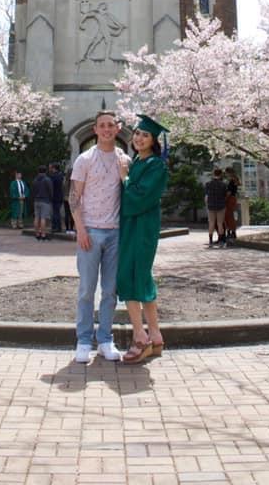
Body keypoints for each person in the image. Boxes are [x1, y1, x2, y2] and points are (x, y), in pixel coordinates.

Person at [69, 109, 130, 363]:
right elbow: (74, 197)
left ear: (117, 129)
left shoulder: (124, 159)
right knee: (86, 289)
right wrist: (80, 229)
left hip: (115, 232)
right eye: (102, 125)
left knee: (109, 291)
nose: (106, 129)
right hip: (90, 232)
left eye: (111, 125)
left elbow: (129, 193)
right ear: (95, 130)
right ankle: (84, 340)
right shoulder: (84, 159)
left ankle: (105, 339)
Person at [116, 114, 169, 363]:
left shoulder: (156, 166)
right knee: (140, 277)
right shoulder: (138, 161)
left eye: (145, 135)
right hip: (131, 227)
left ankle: (140, 337)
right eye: (137, 133)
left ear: (154, 141)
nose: (138, 138)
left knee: (131, 276)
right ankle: (155, 335)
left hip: (142, 227)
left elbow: (138, 197)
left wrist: (124, 178)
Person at [205, 166, 227, 248]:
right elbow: (225, 195)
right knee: (220, 223)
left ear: (213, 174)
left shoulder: (208, 184)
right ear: (221, 175)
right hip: (221, 205)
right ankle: (221, 241)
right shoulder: (223, 184)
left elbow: (206, 196)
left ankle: (210, 241)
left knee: (211, 223)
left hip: (211, 205)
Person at [31, 165, 53, 241]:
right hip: (45, 201)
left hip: (36, 200)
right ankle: (43, 234)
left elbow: (33, 191)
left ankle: (37, 234)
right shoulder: (47, 180)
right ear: (45, 171)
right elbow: (50, 190)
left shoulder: (35, 180)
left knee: (36, 217)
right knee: (43, 218)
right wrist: (50, 198)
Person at [223, 168, 240, 243]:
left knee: (228, 216)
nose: (225, 174)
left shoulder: (231, 181)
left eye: (226, 173)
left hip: (230, 199)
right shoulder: (235, 180)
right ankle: (232, 232)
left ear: (229, 173)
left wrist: (224, 199)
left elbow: (229, 192)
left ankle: (231, 232)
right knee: (230, 216)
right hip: (233, 199)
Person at [49, 163, 64, 233]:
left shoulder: (53, 177)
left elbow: (51, 187)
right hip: (60, 196)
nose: (50, 169)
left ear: (54, 168)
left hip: (54, 196)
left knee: (55, 213)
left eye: (51, 167)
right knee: (57, 212)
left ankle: (55, 227)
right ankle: (58, 227)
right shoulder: (61, 176)